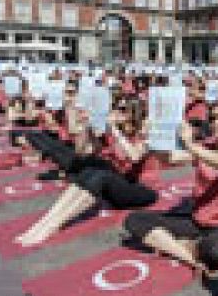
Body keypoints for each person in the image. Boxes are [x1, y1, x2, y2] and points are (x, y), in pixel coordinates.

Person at [123, 101, 218, 275]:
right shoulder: (206, 146)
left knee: (213, 250)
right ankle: (190, 256)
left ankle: (178, 245)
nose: (216, 123)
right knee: (135, 220)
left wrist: (190, 144)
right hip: (197, 221)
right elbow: (170, 159)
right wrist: (153, 140)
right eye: (212, 119)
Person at [15, 99, 159, 247]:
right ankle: (44, 223)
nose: (116, 112)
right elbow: (83, 152)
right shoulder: (112, 132)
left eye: (122, 109)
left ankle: (53, 226)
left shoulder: (146, 132)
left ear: (133, 113)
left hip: (143, 190)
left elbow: (134, 156)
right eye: (115, 108)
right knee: (89, 172)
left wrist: (114, 130)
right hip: (120, 183)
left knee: (101, 176)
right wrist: (86, 129)